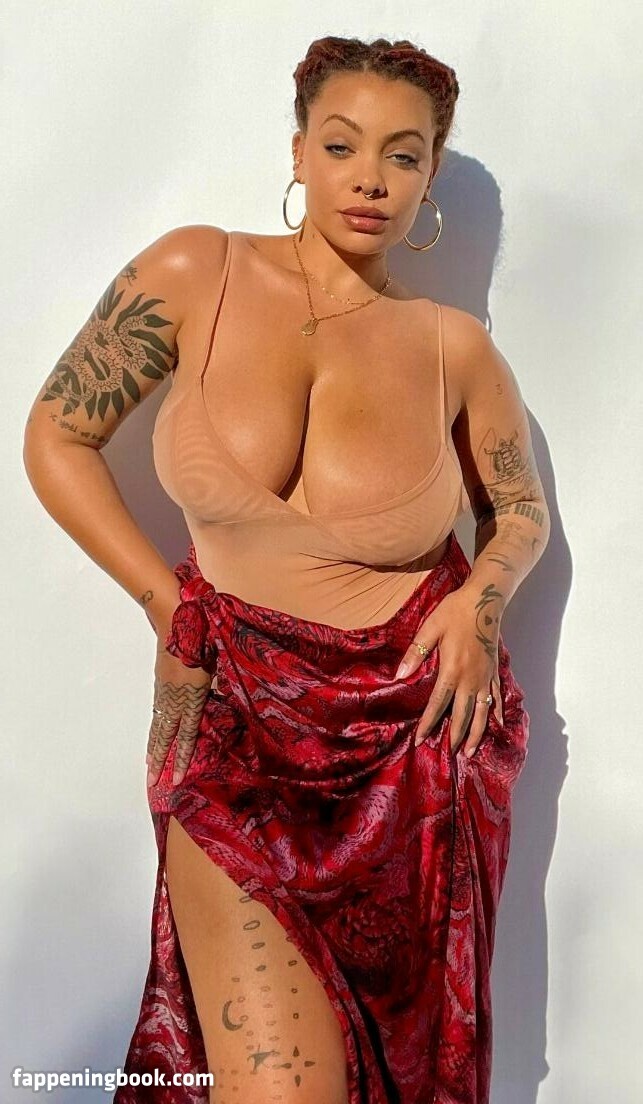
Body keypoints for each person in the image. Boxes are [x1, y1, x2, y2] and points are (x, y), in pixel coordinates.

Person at [23, 33, 549, 1104]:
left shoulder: (452, 347)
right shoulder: (196, 271)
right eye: (342, 145)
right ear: (298, 151)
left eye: (403, 155)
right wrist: (170, 610)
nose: (370, 178)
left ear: (428, 179)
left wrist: (480, 605)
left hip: (412, 744)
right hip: (234, 719)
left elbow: (521, 512)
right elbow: (56, 435)